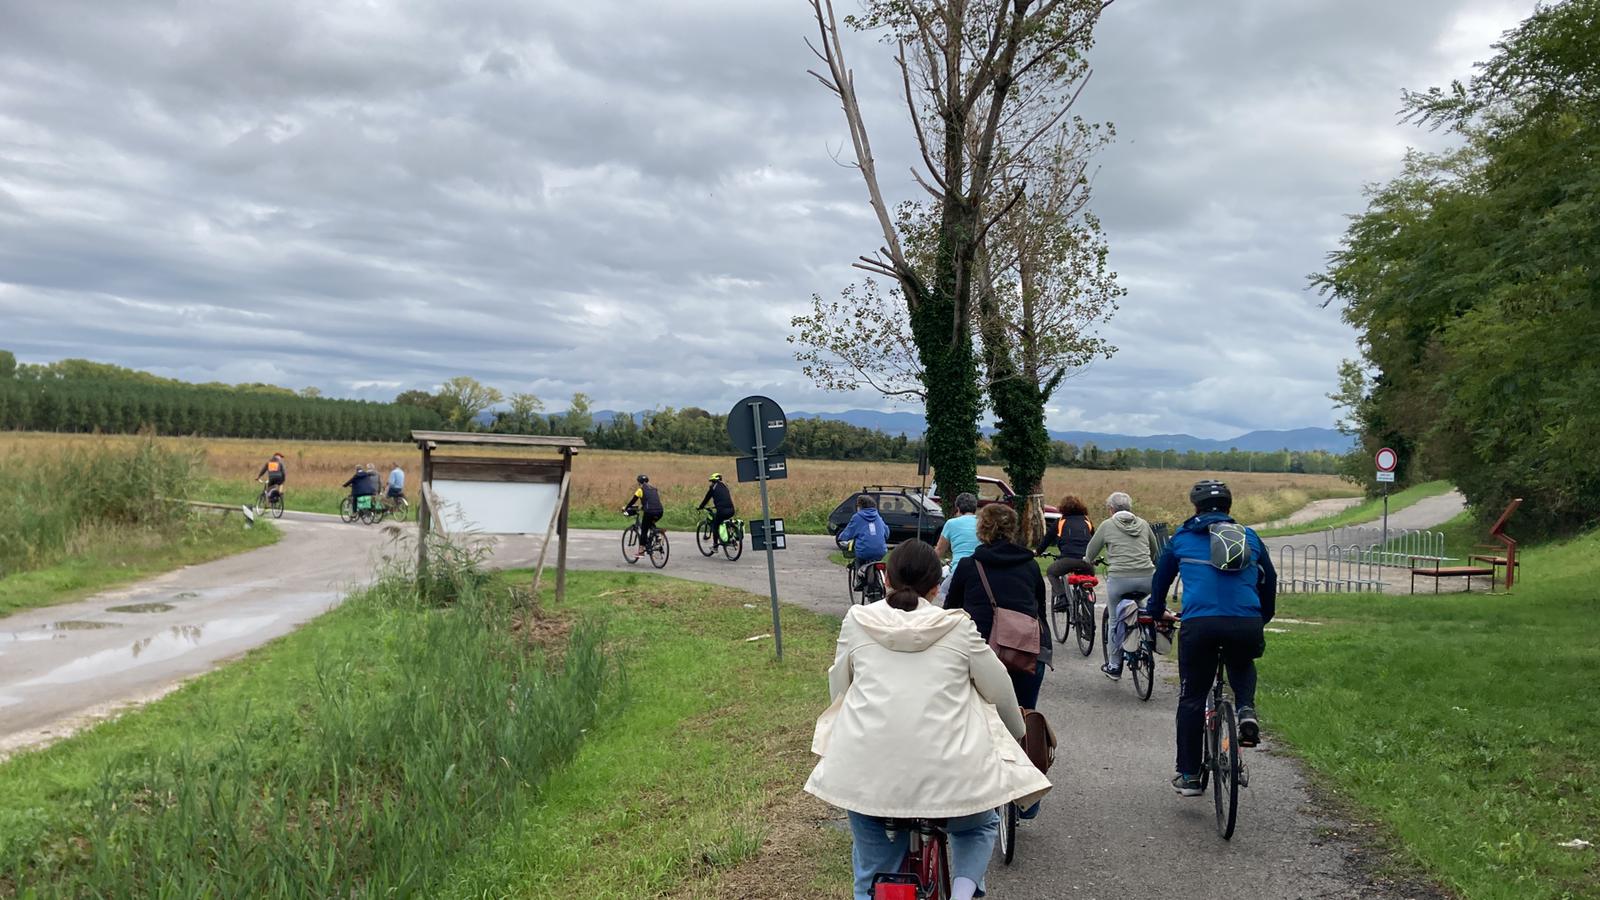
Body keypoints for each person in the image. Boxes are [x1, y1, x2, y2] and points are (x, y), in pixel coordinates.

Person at [805, 539, 1050, 900]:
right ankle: (963, 894)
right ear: (937, 589)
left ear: (885, 578)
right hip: (951, 775)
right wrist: (1016, 734)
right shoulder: (958, 626)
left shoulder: (857, 621)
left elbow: (839, 688)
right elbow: (999, 688)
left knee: (872, 871)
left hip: (867, 774)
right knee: (979, 826)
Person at [1148, 479, 1277, 797]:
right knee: (1242, 660)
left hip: (1200, 624)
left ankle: (1190, 776)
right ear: (1229, 507)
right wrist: (1261, 617)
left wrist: (1156, 612)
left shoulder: (1181, 538)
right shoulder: (1249, 536)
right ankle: (1246, 710)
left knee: (1192, 699)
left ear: (1196, 508)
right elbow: (1270, 579)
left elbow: (1160, 583)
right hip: (1245, 622)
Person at [945, 504, 1051, 710]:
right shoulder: (1030, 565)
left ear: (981, 529)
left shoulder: (969, 566)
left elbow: (951, 612)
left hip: (980, 652)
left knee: (975, 716)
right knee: (1025, 718)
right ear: (1013, 529)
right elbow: (1040, 612)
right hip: (1024, 653)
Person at [1086, 491, 1162, 681]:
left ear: (1111, 509)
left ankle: (1114, 665)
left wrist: (1088, 560)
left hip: (1120, 579)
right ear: (1130, 508)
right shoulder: (1143, 524)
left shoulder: (1107, 525)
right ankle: (1147, 636)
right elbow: (1155, 551)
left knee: (1114, 620)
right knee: (1142, 606)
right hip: (1147, 578)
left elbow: (1091, 551)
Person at [1036, 495, 1095, 612]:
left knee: (1051, 572)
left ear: (1063, 508)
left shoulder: (1060, 522)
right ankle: (1088, 604)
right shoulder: (1087, 521)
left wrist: (1037, 552)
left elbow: (1047, 539)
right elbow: (1094, 539)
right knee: (1088, 579)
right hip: (1087, 561)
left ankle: (1062, 597)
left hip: (1068, 559)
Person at [835, 495, 888, 591]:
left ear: (859, 506)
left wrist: (841, 538)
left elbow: (848, 532)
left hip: (864, 551)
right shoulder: (878, 516)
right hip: (881, 550)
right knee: (875, 559)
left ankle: (860, 580)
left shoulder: (857, 517)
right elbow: (886, 532)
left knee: (858, 559)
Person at [934, 492, 980, 599]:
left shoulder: (951, 523)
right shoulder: (983, 523)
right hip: (981, 572)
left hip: (958, 570)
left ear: (958, 508)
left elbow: (940, 550)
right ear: (975, 508)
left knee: (942, 592)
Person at [624, 474, 665, 558]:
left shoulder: (640, 490)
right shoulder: (654, 489)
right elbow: (651, 501)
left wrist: (626, 508)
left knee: (644, 529)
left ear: (639, 482)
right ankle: (657, 535)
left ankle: (641, 551)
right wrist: (642, 507)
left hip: (649, 512)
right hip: (660, 511)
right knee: (650, 523)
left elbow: (633, 501)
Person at [696, 472, 736, 547]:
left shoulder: (713, 488)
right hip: (731, 510)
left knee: (715, 526)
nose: (711, 483)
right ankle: (731, 536)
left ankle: (715, 546)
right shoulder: (725, 486)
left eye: (711, 482)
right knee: (725, 520)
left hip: (722, 511)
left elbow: (707, 498)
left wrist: (701, 506)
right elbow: (723, 498)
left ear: (713, 481)